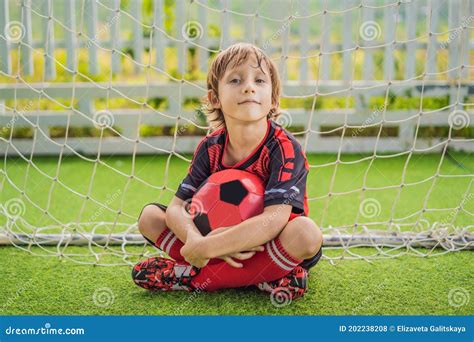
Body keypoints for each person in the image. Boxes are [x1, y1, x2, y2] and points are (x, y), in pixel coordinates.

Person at [132, 42, 323, 301]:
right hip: (208, 239)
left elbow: (274, 220)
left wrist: (208, 247)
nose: (248, 86)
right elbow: (177, 208)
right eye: (235, 80)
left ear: (274, 98)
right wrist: (196, 240)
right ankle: (263, 280)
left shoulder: (284, 148)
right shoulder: (210, 147)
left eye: (259, 80)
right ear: (214, 98)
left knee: (307, 234)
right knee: (150, 217)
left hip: (271, 245)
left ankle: (195, 279)